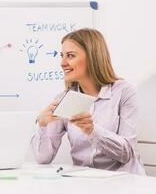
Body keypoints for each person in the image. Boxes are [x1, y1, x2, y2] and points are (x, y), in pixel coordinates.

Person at [31, 28, 146, 175]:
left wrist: (93, 131)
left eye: (70, 56)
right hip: (87, 183)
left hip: (126, 181)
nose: (62, 63)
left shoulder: (123, 92)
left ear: (92, 57)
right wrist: (43, 125)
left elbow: (126, 153)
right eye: (62, 56)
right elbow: (43, 158)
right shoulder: (64, 99)